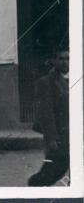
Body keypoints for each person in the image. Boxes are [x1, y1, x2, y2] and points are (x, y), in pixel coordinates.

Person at [28, 48, 70, 186]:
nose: (65, 62)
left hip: (74, 134)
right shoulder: (46, 82)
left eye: (68, 58)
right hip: (59, 136)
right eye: (61, 59)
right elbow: (45, 112)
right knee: (55, 169)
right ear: (53, 61)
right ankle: (34, 188)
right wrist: (51, 137)